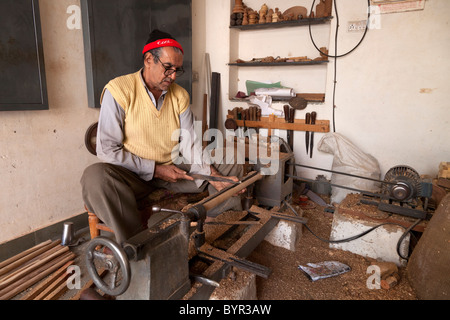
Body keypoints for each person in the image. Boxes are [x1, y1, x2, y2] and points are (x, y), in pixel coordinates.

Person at [81, 30, 243, 244]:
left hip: (173, 170)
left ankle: (219, 231)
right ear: (149, 59)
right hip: (134, 177)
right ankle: (137, 246)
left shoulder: (180, 95)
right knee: (95, 177)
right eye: (168, 68)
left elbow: (190, 144)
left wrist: (213, 175)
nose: (173, 76)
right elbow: (107, 150)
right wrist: (155, 169)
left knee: (230, 164)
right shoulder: (119, 90)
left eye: (177, 70)